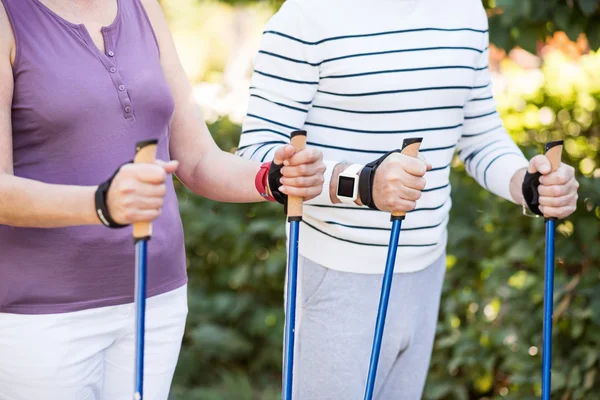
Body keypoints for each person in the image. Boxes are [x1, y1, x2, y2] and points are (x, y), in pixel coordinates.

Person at [237, 0, 579, 398]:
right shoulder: (306, 16)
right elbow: (257, 157)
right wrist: (363, 185)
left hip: (426, 271)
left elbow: (479, 135)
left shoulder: (466, 11)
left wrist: (529, 184)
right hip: (338, 275)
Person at [0, 0, 325, 399]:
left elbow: (198, 159)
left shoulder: (142, 7)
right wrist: (102, 203)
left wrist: (272, 179)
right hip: (43, 314)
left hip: (157, 301)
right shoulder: (8, 16)